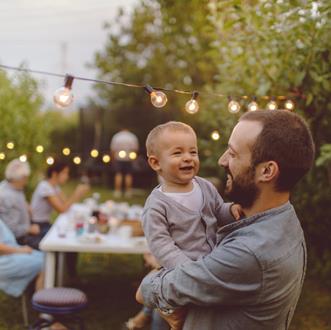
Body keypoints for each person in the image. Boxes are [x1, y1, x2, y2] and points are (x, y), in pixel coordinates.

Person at [136, 110, 315, 330]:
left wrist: (153, 281)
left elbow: (145, 291)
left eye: (232, 153)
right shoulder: (285, 219)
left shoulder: (249, 253)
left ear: (267, 171)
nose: (222, 160)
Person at [127, 121, 241, 330]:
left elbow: (218, 211)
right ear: (155, 163)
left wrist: (231, 210)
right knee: (172, 318)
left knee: (201, 316)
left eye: (193, 152)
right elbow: (161, 244)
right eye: (178, 153)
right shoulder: (157, 204)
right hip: (181, 272)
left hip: (210, 265)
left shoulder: (204, 186)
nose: (188, 158)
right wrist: (187, 269)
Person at [31, 159, 90, 279]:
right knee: (68, 239)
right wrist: (77, 194)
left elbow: (65, 204)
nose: (67, 176)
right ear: (54, 174)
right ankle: (66, 276)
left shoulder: (54, 187)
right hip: (38, 225)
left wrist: (73, 197)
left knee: (71, 236)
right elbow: (62, 208)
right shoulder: (45, 187)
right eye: (65, 173)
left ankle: (69, 275)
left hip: (45, 223)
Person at [0, 159, 43, 250]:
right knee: (50, 246)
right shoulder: (8, 197)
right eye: (25, 178)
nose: (26, 182)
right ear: (20, 178)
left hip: (25, 232)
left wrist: (25, 207)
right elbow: (10, 230)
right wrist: (29, 229)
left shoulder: (9, 185)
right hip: (18, 241)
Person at [0, 219, 44, 297]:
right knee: (45, 263)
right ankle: (42, 302)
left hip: (10, 254)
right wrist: (19, 250)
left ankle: (41, 299)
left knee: (46, 257)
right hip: (5, 261)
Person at [110, 129, 139, 198]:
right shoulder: (132, 136)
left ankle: (118, 191)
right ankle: (128, 192)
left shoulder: (117, 136)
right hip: (128, 158)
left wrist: (113, 159)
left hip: (118, 158)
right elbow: (135, 149)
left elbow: (113, 149)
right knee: (128, 175)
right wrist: (133, 158)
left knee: (118, 174)